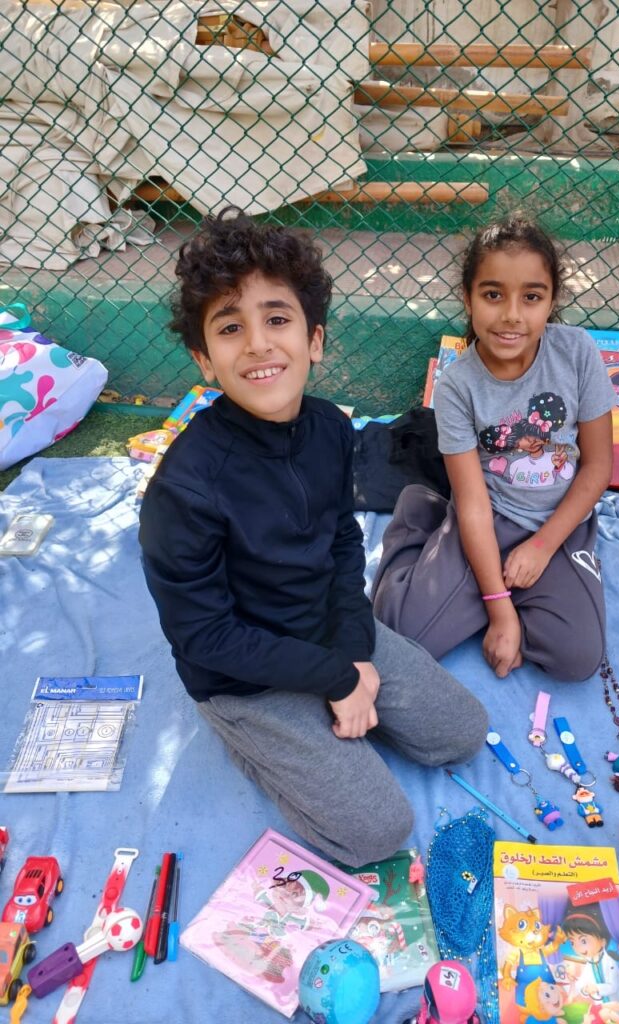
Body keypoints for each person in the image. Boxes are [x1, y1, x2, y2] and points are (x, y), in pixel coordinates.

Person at [138, 208, 488, 867]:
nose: (257, 344)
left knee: (462, 733)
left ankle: (334, 708)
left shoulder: (330, 429)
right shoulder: (183, 489)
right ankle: (251, 740)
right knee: (378, 832)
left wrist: (352, 651)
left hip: (327, 633)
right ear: (204, 359)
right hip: (243, 675)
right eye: (230, 327)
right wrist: (333, 677)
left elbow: (342, 544)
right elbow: (205, 638)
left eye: (277, 319)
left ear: (314, 339)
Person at [371, 213, 615, 681]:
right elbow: (474, 505)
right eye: (493, 295)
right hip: (488, 516)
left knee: (577, 658)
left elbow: (598, 467)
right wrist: (500, 610)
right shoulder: (457, 385)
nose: (511, 315)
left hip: (560, 524)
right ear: (468, 298)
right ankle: (419, 519)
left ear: (552, 300)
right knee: (400, 634)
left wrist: (542, 547)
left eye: (531, 297)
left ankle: (513, 590)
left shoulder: (577, 352)